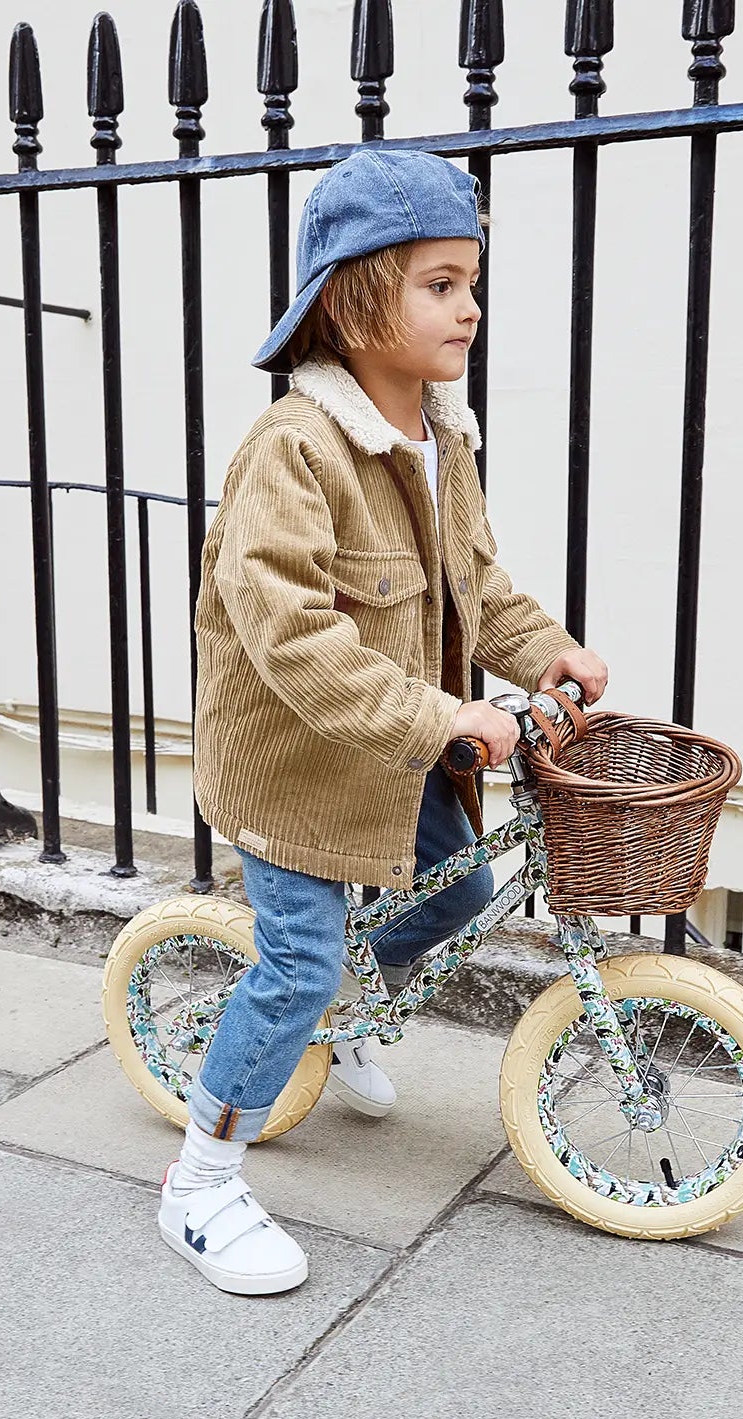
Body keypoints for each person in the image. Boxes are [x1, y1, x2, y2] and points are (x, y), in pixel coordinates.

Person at [163, 150, 609, 1295]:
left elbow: (479, 584)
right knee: (297, 963)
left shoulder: (440, 442)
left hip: (405, 739)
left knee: (457, 895)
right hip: (301, 763)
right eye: (440, 285)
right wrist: (446, 713)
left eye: (471, 283)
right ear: (359, 296)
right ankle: (203, 1180)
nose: (469, 308)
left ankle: (348, 1013)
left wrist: (545, 650)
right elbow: (295, 639)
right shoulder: (293, 450)